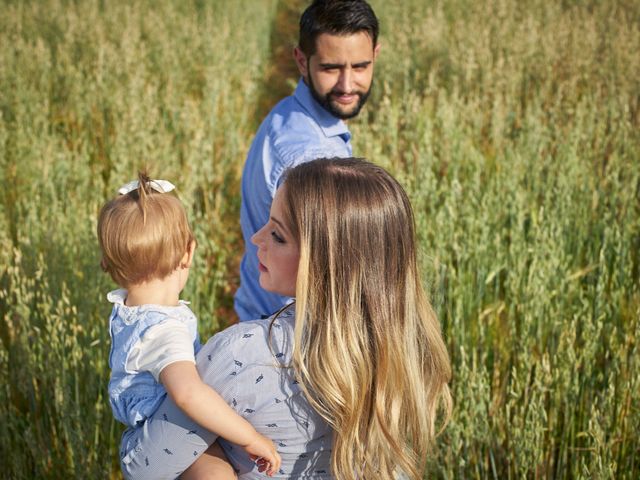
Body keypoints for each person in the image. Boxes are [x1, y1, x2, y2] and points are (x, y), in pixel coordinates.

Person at [121, 159, 452, 480]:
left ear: (325, 261)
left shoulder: (245, 356)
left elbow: (143, 467)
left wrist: (211, 461)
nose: (257, 239)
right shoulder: (411, 352)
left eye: (278, 235)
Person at [97, 173, 281, 478]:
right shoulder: (163, 332)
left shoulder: (130, 310)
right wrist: (250, 437)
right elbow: (188, 394)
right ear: (188, 253)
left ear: (108, 264)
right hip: (159, 437)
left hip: (150, 432)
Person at [236, 0, 381, 321]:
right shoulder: (311, 159)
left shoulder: (288, 114)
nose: (347, 85)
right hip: (293, 339)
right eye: (331, 68)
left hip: (264, 316)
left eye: (360, 66)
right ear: (301, 61)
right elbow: (331, 277)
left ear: (376, 56)